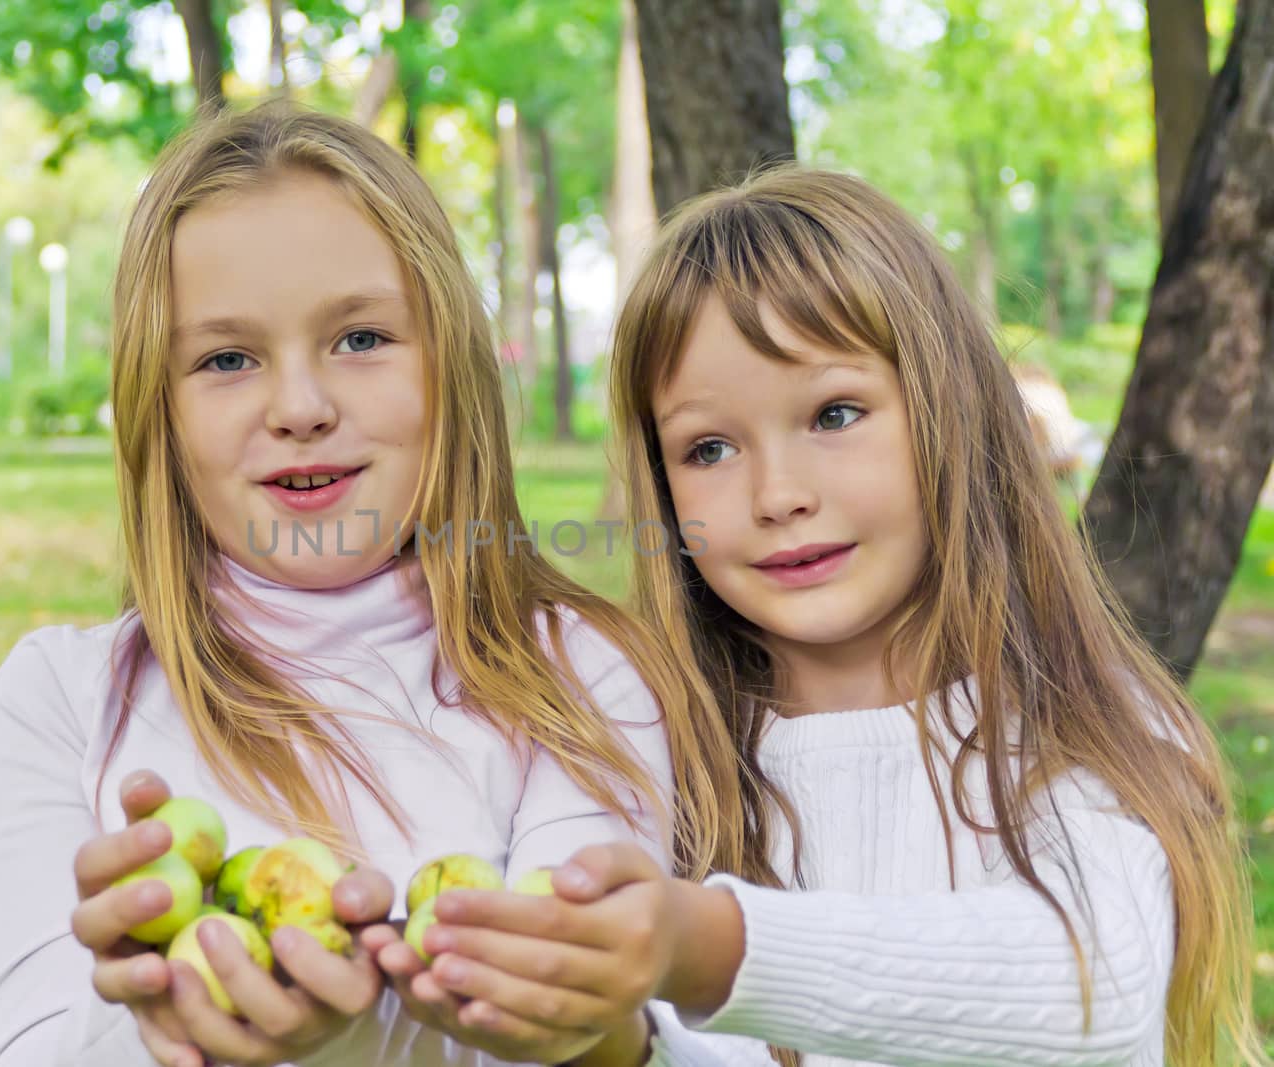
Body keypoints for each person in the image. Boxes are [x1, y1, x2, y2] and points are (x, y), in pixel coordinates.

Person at [369, 167, 1262, 1066]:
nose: (778, 494)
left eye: (835, 413)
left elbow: (1095, 995)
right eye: (708, 448)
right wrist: (600, 1030)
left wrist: (708, 946)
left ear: (953, 415)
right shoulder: (663, 756)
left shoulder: (1078, 724)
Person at [0, 102, 750, 1067]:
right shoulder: (64, 700)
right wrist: (152, 1017)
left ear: (449, 369)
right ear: (156, 412)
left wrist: (585, 1031)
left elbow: (606, 1019)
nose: (300, 406)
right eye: (226, 359)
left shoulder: (577, 677)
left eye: (362, 339)